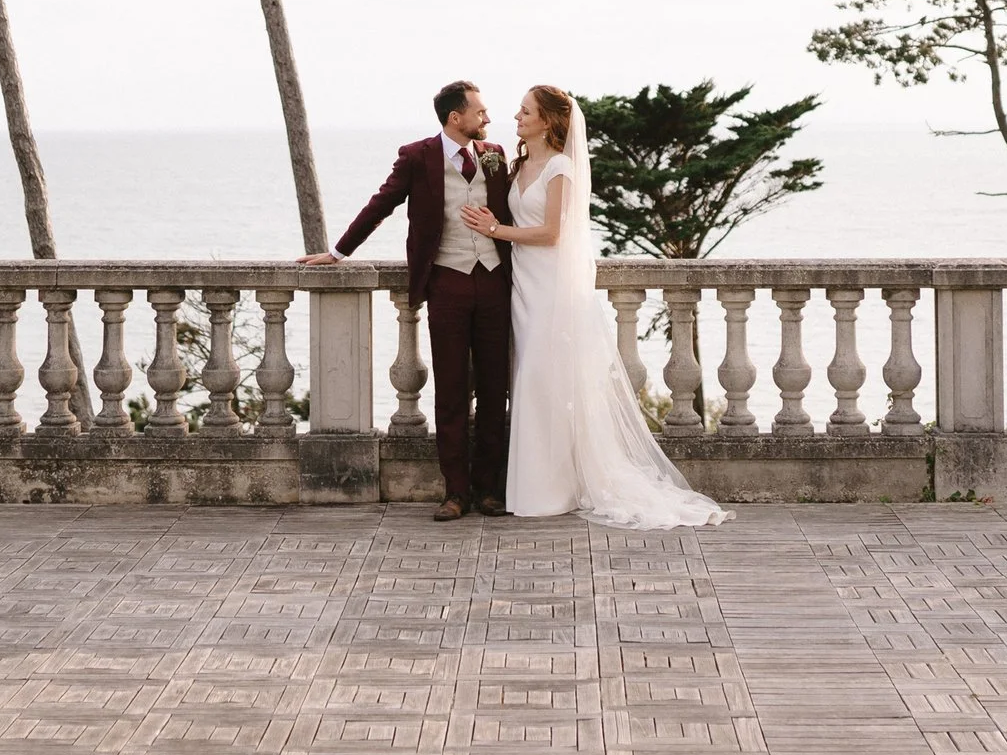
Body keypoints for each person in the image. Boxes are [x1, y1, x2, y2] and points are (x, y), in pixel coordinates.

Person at [462, 86, 730, 529]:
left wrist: (495, 230)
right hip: (521, 286)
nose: (516, 116)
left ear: (547, 121)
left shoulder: (561, 167)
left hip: (550, 286)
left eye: (525, 111)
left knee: (542, 378)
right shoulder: (521, 164)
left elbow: (553, 233)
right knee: (529, 380)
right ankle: (535, 485)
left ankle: (550, 490)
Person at [302, 80, 515, 520]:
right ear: (455, 117)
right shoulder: (418, 156)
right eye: (480, 112)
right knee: (452, 390)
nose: (487, 119)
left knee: (496, 390)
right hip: (447, 284)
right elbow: (381, 204)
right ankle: (456, 493)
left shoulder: (495, 154)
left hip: (495, 281)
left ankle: (490, 489)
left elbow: (514, 212)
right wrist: (339, 252)